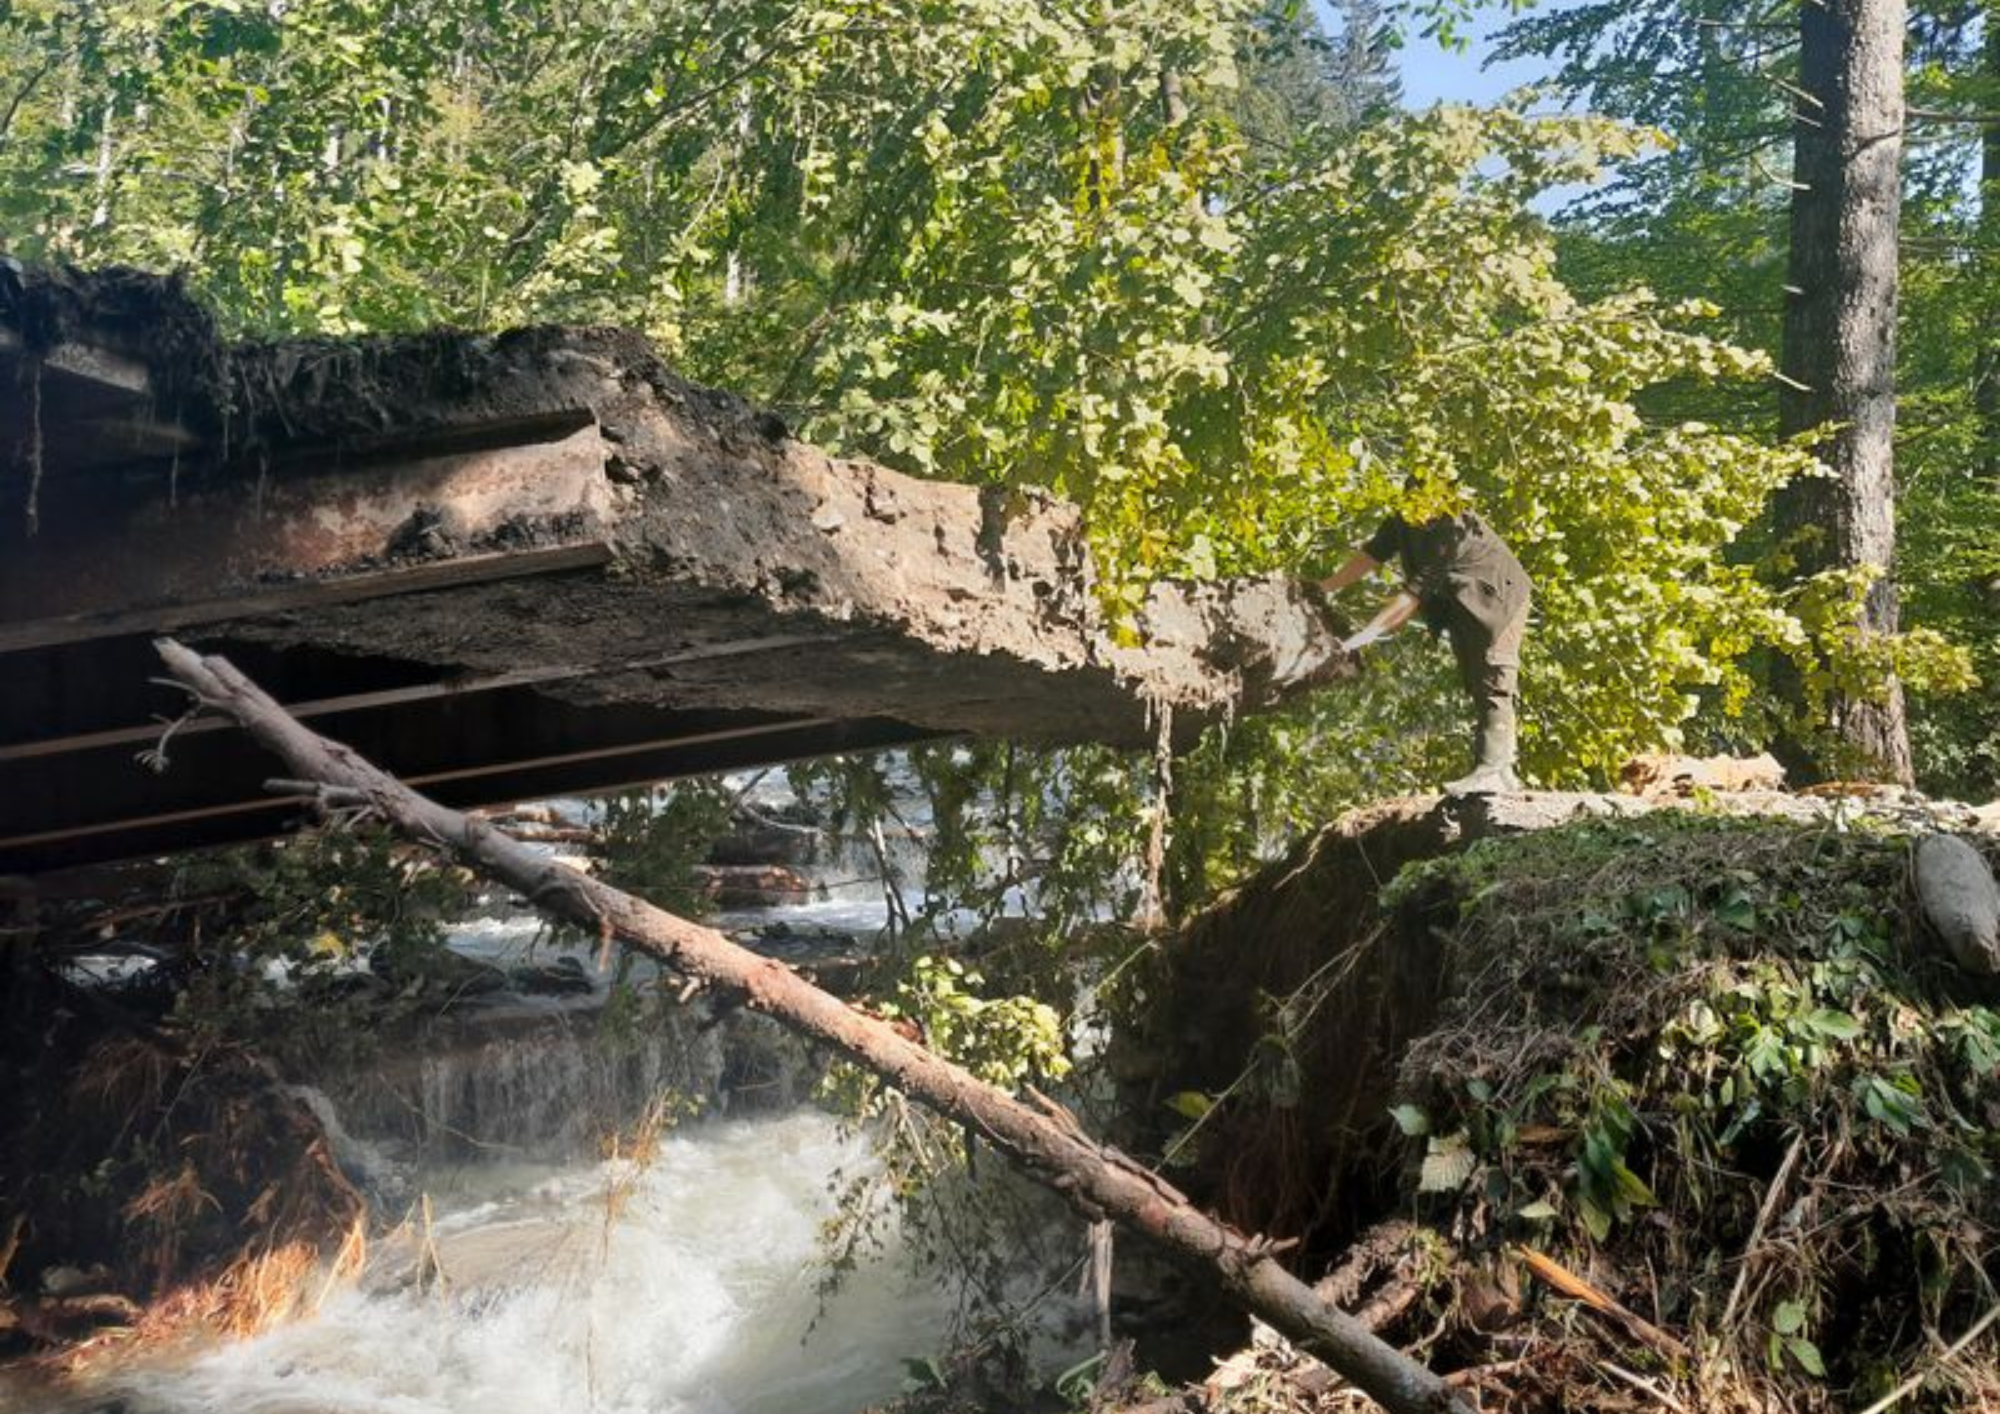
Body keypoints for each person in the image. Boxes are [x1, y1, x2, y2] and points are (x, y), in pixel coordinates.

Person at [1317, 506, 1532, 796]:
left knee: (1493, 676)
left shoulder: (1451, 527)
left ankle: (1493, 770)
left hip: (1500, 596)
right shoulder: (1405, 515)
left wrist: (1357, 640)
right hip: (1466, 602)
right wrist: (1324, 587)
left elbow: (1412, 596)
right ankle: (1500, 772)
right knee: (1476, 678)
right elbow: (1372, 554)